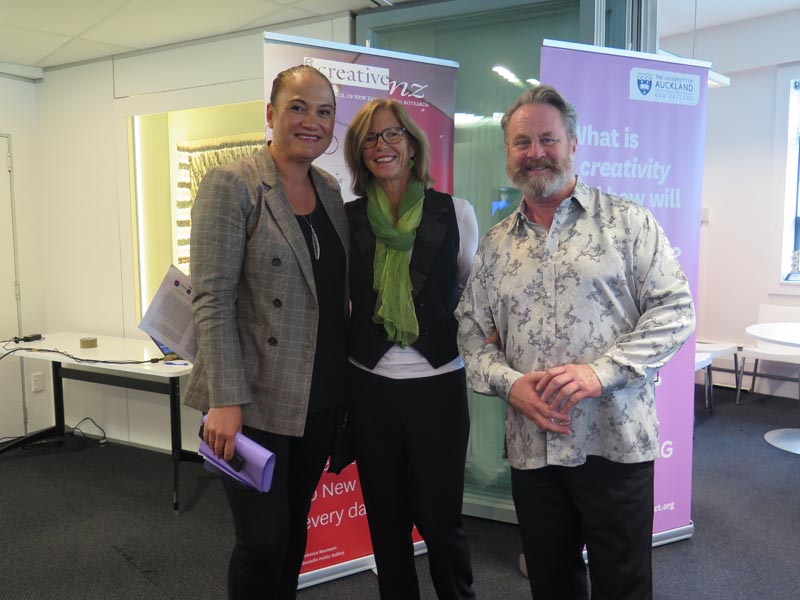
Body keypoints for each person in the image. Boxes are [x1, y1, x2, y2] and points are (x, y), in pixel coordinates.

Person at [455, 85, 695, 600]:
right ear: (508, 152)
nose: (535, 152)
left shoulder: (628, 223)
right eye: (522, 142)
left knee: (623, 584)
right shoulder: (496, 246)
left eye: (548, 139)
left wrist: (598, 372)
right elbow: (471, 334)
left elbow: (676, 312)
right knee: (551, 583)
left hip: (614, 440)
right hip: (533, 446)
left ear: (573, 144)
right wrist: (509, 384)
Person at [184, 65, 349, 600]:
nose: (311, 121)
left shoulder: (328, 190)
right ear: (272, 114)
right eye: (299, 107)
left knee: (294, 532)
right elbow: (211, 296)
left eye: (324, 111)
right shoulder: (232, 183)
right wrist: (226, 399)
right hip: (252, 401)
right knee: (261, 543)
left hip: (316, 399)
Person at [342, 98, 478, 600]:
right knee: (386, 523)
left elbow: (467, 292)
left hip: (438, 388)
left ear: (412, 143)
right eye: (370, 139)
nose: (383, 146)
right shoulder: (348, 218)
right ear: (360, 154)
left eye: (392, 134)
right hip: (370, 388)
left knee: (442, 523)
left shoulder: (456, 213)